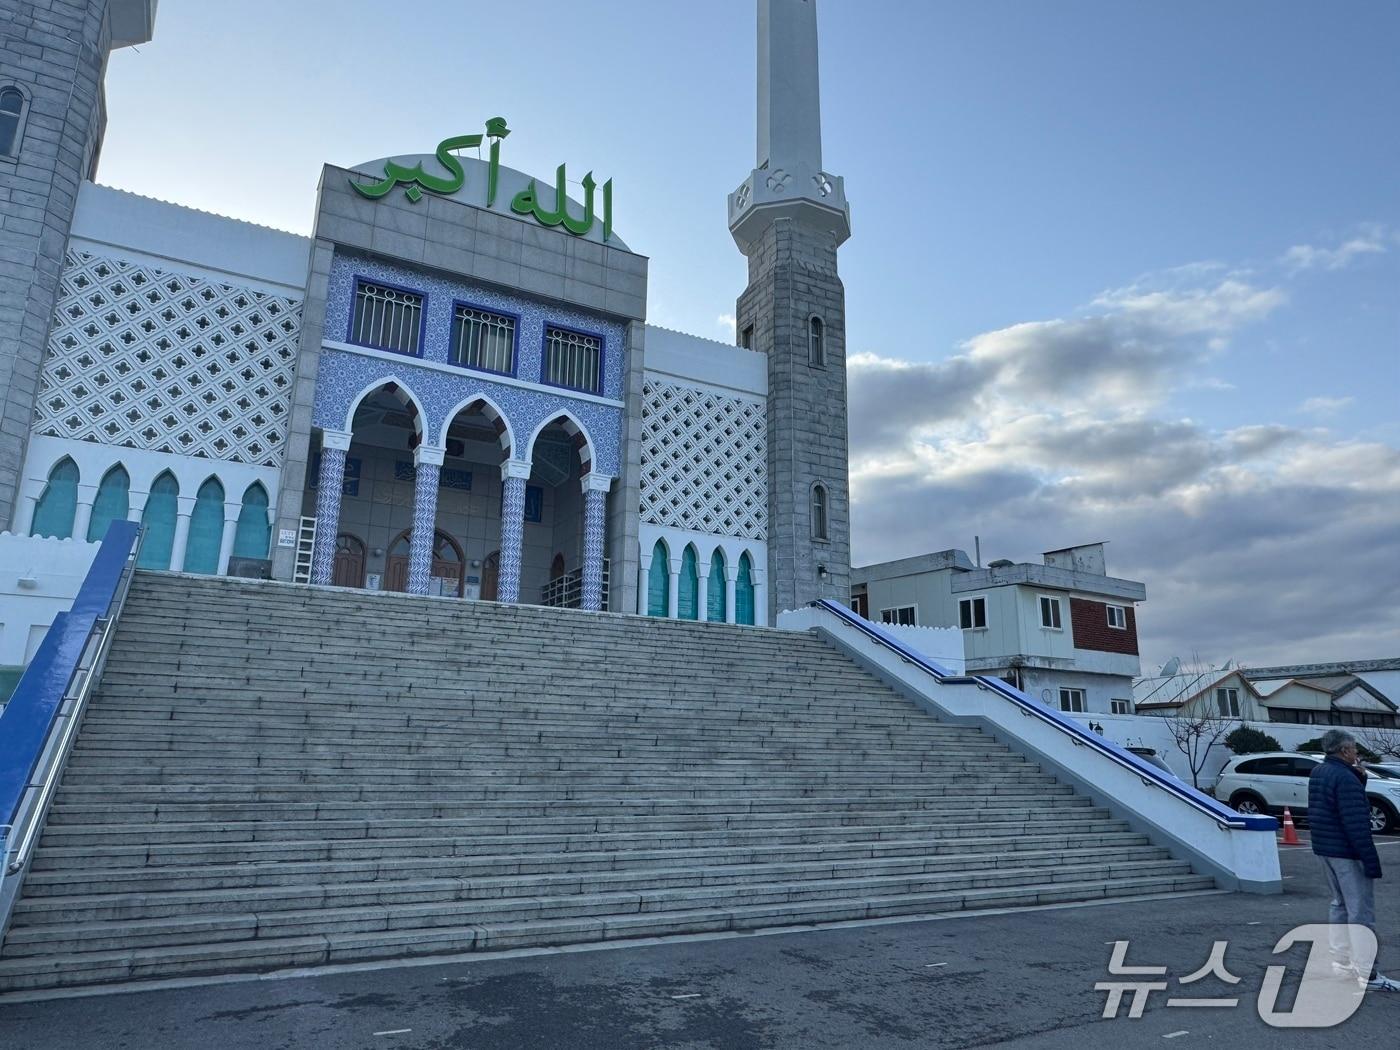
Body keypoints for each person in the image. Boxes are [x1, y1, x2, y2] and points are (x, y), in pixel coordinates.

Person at [1308, 729, 1398, 991]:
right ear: (1345, 751)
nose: (1357, 753)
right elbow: (1355, 821)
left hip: (1325, 848)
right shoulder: (1345, 778)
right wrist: (1369, 858)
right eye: (1354, 749)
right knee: (1361, 912)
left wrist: (1359, 779)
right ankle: (1368, 974)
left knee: (1339, 905)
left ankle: (1342, 962)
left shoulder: (1320, 772)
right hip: (1347, 852)